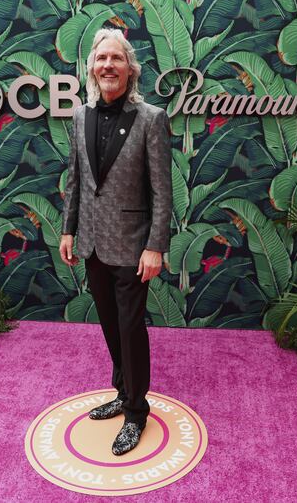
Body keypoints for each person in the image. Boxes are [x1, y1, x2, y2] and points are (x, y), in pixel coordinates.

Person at [59, 28, 172, 455]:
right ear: (91, 66)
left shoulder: (151, 119)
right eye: (101, 58)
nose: (108, 65)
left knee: (130, 328)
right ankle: (123, 392)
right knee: (109, 325)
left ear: (130, 68)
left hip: (132, 246)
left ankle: (136, 412)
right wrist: (68, 229)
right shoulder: (78, 116)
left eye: (116, 58)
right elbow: (76, 181)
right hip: (90, 243)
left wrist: (155, 245)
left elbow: (162, 190)